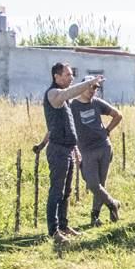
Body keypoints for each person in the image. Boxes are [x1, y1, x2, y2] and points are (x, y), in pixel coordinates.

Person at [33, 62, 103, 244]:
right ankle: (53, 230)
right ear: (56, 76)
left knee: (66, 191)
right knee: (56, 191)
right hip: (58, 150)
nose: (71, 78)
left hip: (68, 149)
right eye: (67, 75)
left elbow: (55, 126)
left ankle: (64, 225)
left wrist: (75, 149)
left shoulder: (64, 100)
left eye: (72, 75)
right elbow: (67, 93)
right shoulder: (54, 94)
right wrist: (88, 83)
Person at [69, 76, 123, 227]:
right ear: (82, 87)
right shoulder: (73, 106)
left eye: (96, 88)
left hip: (103, 147)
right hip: (85, 150)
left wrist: (107, 130)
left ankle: (95, 217)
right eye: (91, 87)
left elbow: (117, 115)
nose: (93, 90)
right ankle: (113, 204)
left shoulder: (97, 103)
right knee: (93, 184)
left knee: (101, 184)